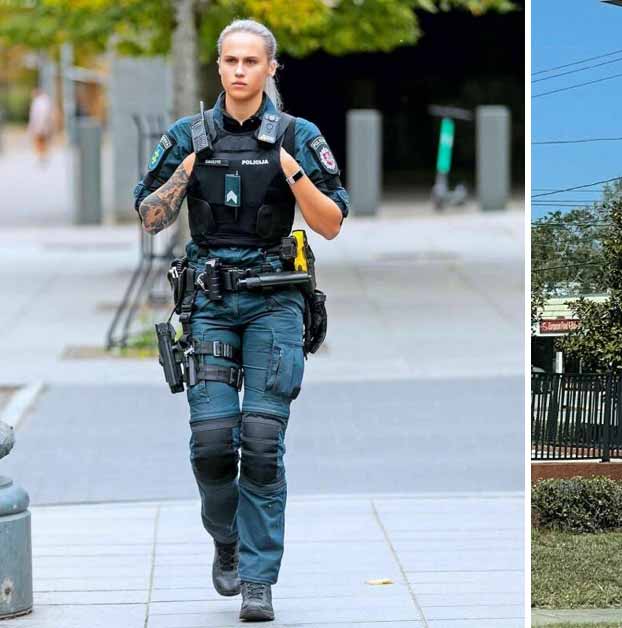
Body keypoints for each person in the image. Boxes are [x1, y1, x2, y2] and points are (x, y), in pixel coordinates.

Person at [134, 18, 349, 622]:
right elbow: (149, 218)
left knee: (259, 443)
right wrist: (187, 166)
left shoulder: (299, 136)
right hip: (208, 302)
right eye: (229, 60)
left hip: (275, 303)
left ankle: (258, 579)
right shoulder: (188, 134)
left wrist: (290, 170)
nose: (238, 71)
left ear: (270, 69)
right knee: (210, 444)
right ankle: (225, 539)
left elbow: (331, 223)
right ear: (219, 67)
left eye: (251, 61)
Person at [27, 88, 53, 165]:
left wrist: (40, 126)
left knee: (40, 142)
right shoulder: (43, 101)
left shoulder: (40, 102)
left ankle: (42, 157)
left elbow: (41, 115)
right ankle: (42, 157)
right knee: (41, 142)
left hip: (40, 126)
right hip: (41, 126)